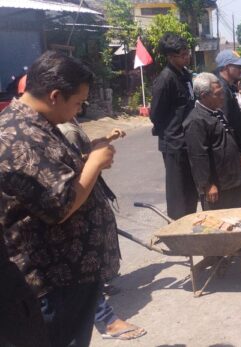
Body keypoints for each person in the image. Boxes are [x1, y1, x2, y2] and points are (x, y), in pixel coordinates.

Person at [0, 51, 119, 347]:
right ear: (55, 95)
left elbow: (50, 177)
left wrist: (86, 155)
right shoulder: (18, 135)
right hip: (51, 285)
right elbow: (60, 205)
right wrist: (94, 163)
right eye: (78, 103)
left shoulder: (36, 124)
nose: (79, 111)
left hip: (69, 277)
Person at [55, 120, 147, 341]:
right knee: (83, 268)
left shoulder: (67, 121)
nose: (81, 106)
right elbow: (75, 172)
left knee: (90, 268)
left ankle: (100, 292)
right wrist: (96, 162)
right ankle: (107, 321)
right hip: (78, 211)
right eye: (77, 100)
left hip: (87, 202)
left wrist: (104, 141)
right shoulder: (63, 128)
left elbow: (81, 155)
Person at [184, 72, 241, 210]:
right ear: (204, 96)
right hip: (218, 187)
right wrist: (208, 185)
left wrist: (239, 157)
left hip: (232, 180)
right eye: (218, 94)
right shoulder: (196, 120)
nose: (222, 97)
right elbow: (198, 156)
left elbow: (227, 138)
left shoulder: (216, 112)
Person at [150, 33, 197, 220]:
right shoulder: (165, 79)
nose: (187, 57)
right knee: (178, 193)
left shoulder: (184, 75)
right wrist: (172, 133)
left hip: (189, 141)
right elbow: (156, 115)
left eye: (187, 53)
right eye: (183, 54)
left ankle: (190, 223)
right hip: (175, 144)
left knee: (190, 189)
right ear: (171, 57)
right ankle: (178, 228)